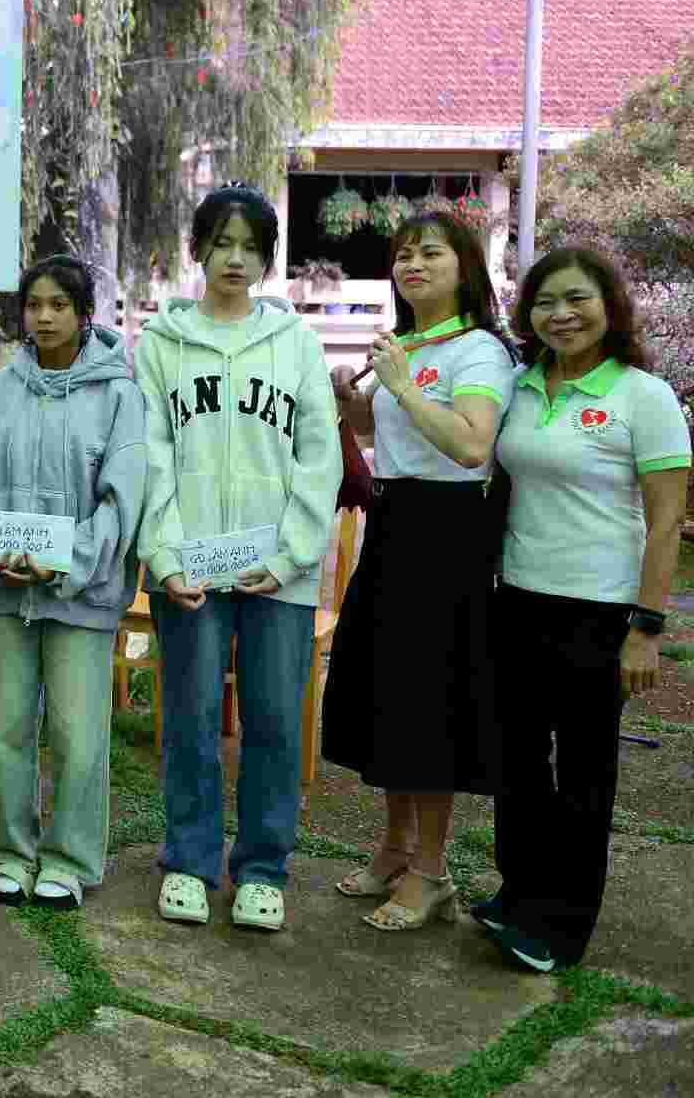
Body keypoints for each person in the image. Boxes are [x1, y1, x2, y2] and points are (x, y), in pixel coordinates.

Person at [473, 248, 687, 971]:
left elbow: (665, 521)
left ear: (609, 304)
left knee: (584, 772)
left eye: (577, 299)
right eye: (544, 303)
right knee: (519, 762)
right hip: (520, 600)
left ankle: (565, 925)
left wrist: (647, 628)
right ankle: (521, 892)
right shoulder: (523, 386)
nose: (561, 314)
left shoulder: (642, 396)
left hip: (598, 615)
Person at [135, 185, 341, 932]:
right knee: (189, 717)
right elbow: (149, 455)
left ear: (264, 258)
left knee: (275, 720)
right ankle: (188, 859)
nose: (234, 258)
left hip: (275, 573)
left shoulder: (295, 343)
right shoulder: (161, 344)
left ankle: (261, 867)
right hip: (190, 567)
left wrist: (290, 556)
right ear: (198, 248)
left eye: (250, 246)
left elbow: (319, 456)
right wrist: (162, 555)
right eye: (221, 242)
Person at [322, 210, 516, 931]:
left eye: (430, 254)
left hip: (450, 535)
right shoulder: (409, 344)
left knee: (432, 706)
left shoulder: (479, 353)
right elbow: (384, 437)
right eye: (404, 255)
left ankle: (433, 872)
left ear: (465, 266)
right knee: (390, 696)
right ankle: (396, 848)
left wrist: (401, 386)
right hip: (395, 521)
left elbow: (469, 445)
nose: (413, 266)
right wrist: (355, 402)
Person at [0, 255, 147, 910]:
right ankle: (9, 852)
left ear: (85, 313)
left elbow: (123, 499)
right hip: (9, 595)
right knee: (5, 728)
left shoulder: (120, 396)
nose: (46, 315)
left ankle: (68, 858)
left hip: (82, 596)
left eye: (60, 303)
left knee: (79, 734)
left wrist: (71, 559)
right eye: (35, 304)